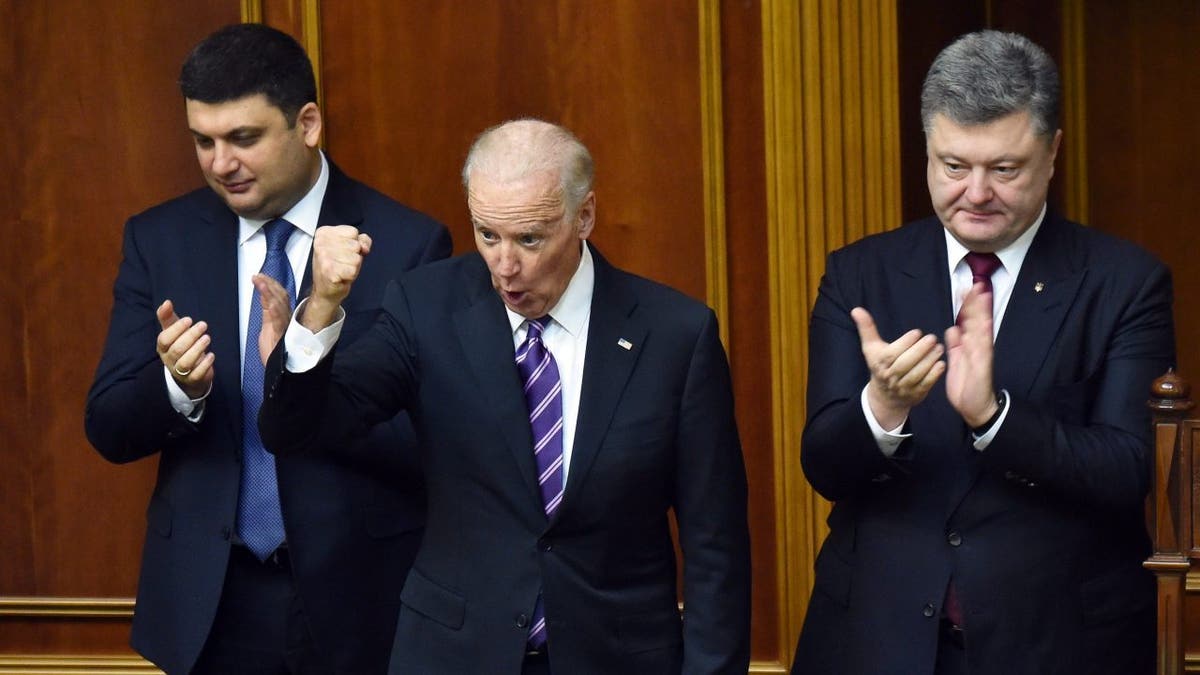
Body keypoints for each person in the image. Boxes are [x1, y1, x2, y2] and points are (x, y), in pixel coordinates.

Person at [256, 118, 751, 674]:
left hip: (615, 657)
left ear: (584, 215)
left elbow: (716, 545)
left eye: (529, 239)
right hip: (456, 653)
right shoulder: (426, 307)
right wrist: (319, 309)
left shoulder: (677, 336)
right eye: (487, 235)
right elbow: (298, 429)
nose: (505, 267)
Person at [791, 30, 1174, 675]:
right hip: (878, 635)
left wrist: (995, 418)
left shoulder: (1124, 282)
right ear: (928, 151)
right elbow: (824, 467)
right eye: (953, 166)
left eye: (1004, 169)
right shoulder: (861, 274)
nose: (975, 193)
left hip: (1058, 640)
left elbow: (1129, 470)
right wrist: (881, 408)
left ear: (1052, 153)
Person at [84, 23, 451, 675]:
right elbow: (108, 425)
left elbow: (430, 446)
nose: (220, 162)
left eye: (243, 138)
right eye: (204, 140)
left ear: (306, 124)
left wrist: (308, 359)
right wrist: (178, 387)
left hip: (358, 601)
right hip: (209, 601)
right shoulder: (159, 238)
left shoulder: (407, 244)